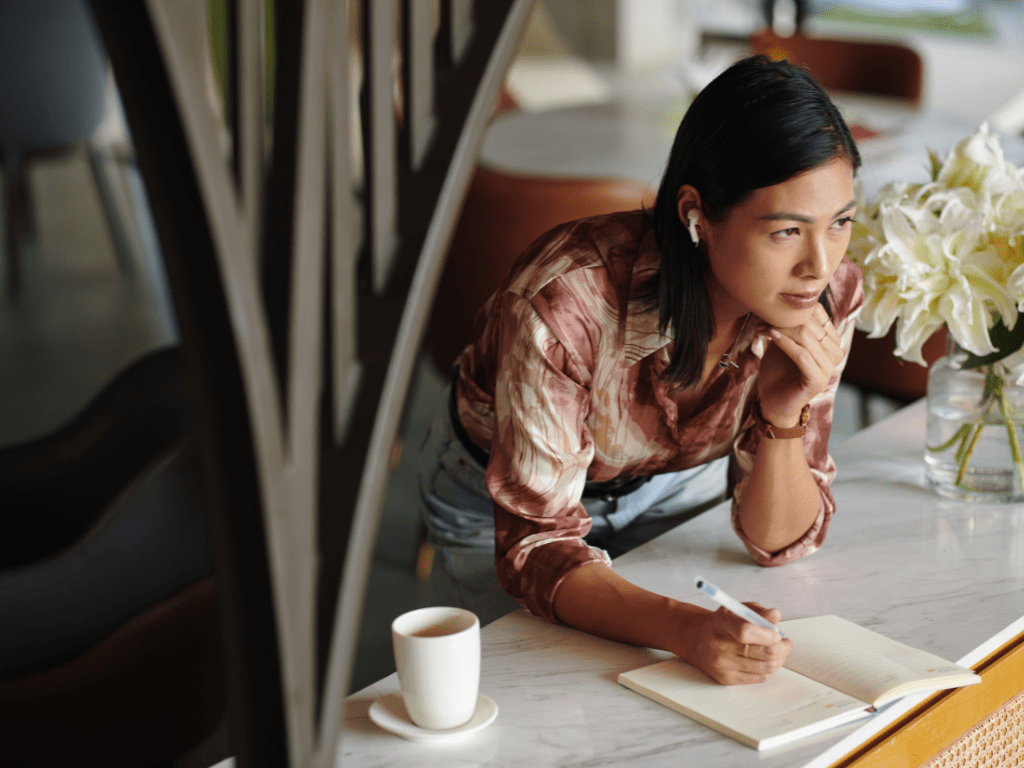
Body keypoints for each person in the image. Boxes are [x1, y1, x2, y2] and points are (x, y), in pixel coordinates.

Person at [418, 55, 863, 686]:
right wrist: (685, 630)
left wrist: (784, 414)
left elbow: (781, 543)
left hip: (674, 487)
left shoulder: (825, 296)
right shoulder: (566, 302)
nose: (819, 265)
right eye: (786, 231)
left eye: (840, 222)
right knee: (536, 702)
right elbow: (536, 548)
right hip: (503, 500)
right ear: (695, 215)